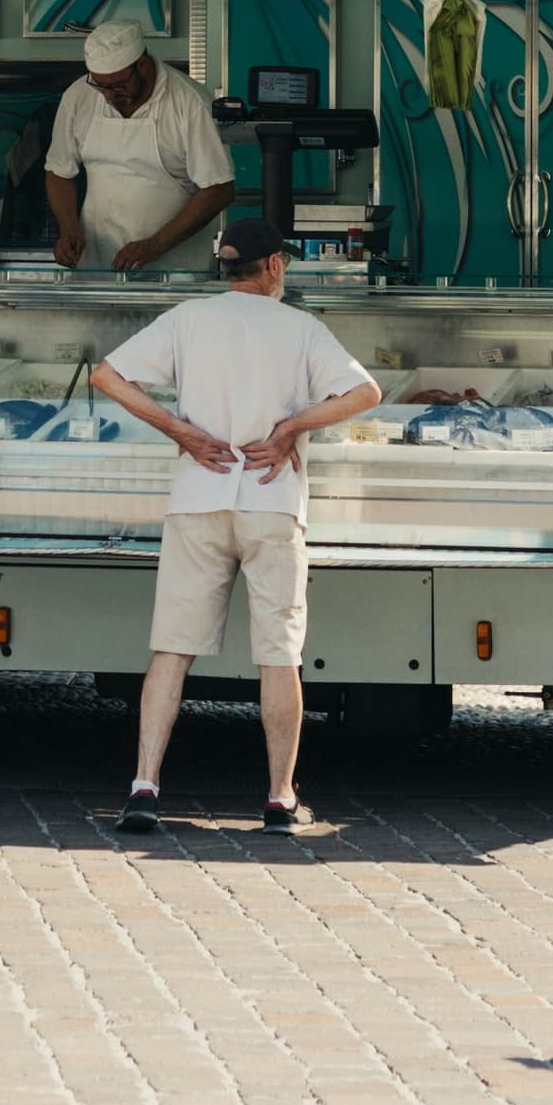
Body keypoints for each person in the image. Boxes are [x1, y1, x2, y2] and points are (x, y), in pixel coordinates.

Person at [91, 218, 380, 832]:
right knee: (279, 654)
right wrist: (291, 428)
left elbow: (106, 376)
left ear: (226, 266)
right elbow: (365, 394)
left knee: (172, 649)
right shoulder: (300, 327)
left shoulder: (189, 318)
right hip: (272, 501)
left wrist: (182, 432)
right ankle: (279, 798)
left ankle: (144, 787)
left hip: (199, 497)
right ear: (273, 266)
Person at [45, 18, 236, 274]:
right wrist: (69, 229)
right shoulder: (78, 96)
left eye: (118, 85)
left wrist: (156, 245)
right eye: (100, 86)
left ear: (142, 65)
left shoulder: (189, 102)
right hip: (97, 266)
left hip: (176, 271)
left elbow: (219, 189)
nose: (109, 95)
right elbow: (58, 172)